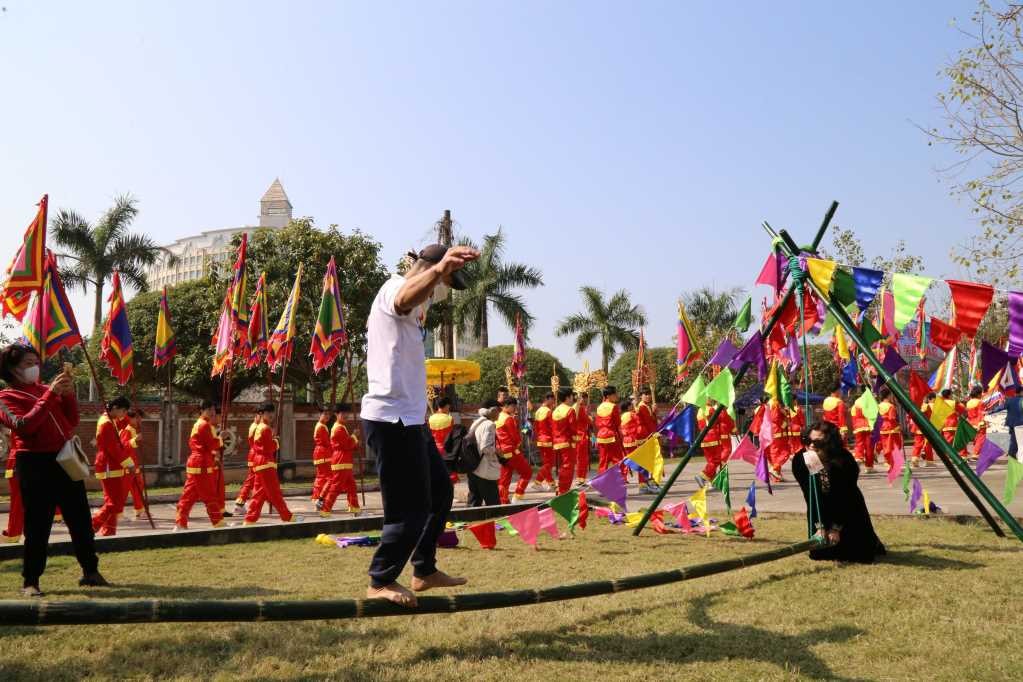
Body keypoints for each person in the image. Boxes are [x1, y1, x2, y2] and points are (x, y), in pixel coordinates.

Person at [361, 242, 475, 607]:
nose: (442, 292)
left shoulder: (414, 310)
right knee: (409, 507)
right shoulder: (394, 289)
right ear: (427, 267)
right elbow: (407, 295)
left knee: (441, 493)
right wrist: (439, 270)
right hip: (389, 419)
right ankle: (380, 580)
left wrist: (440, 274)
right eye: (445, 283)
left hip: (411, 420)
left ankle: (423, 569)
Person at [0, 344, 107, 596]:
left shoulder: (44, 389)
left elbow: (71, 421)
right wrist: (50, 395)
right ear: (12, 369)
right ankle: (31, 581)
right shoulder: (6, 398)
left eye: (35, 361)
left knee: (80, 518)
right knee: (38, 524)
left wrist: (68, 395)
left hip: (63, 460)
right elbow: (24, 426)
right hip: (34, 464)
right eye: (28, 363)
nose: (34, 367)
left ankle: (90, 571)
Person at [792, 420, 886, 564]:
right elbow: (810, 495)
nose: (811, 446)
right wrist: (820, 526)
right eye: (807, 440)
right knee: (820, 554)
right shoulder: (800, 460)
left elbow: (846, 497)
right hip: (820, 509)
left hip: (848, 509)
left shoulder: (844, 462)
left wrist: (836, 528)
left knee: (858, 556)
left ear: (830, 444)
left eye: (818, 443)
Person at [175, 399, 225, 530]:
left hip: (197, 462)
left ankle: (181, 522)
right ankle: (218, 522)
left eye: (213, 409)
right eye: (209, 410)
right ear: (202, 411)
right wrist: (220, 439)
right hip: (201, 463)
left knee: (189, 496)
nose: (212, 412)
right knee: (209, 495)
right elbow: (211, 444)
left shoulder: (201, 424)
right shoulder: (204, 425)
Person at [243, 403, 297, 524]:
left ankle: (250, 519)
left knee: (258, 494)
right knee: (274, 492)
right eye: (268, 412)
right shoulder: (265, 428)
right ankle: (288, 517)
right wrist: (276, 442)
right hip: (266, 462)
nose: (271, 415)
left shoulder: (258, 427)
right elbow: (268, 447)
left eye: (272, 412)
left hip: (259, 462)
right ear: (261, 414)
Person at [91, 397, 134, 537]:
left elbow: (123, 423)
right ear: (115, 408)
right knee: (114, 503)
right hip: (109, 465)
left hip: (111, 464)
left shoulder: (110, 421)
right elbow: (113, 449)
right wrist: (129, 463)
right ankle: (91, 525)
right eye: (123, 411)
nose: (124, 414)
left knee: (114, 501)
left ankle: (108, 530)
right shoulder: (107, 423)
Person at [321, 405, 361, 516]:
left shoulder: (342, 427)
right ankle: (325, 509)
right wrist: (354, 437)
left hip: (345, 460)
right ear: (336, 414)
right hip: (341, 461)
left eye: (347, 413)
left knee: (352, 486)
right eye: (343, 413)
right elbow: (347, 444)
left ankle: (354, 507)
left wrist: (355, 441)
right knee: (336, 487)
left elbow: (349, 444)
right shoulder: (338, 428)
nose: (346, 415)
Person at [496, 397, 531, 503]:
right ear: (506, 406)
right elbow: (515, 437)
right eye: (513, 406)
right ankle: (518, 496)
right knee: (527, 472)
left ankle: (503, 500)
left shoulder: (498, 417)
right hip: (511, 450)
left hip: (502, 452)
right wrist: (519, 443)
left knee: (505, 478)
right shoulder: (508, 418)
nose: (515, 408)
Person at [467, 399, 501, 506]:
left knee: (474, 505)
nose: (499, 413)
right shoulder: (489, 424)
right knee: (494, 506)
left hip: (473, 468)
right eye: (498, 410)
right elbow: (485, 447)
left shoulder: (476, 422)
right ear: (493, 410)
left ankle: (470, 523)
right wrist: (497, 451)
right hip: (485, 470)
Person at [120, 408, 147, 520]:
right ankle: (117, 513)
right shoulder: (128, 430)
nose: (139, 421)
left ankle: (139, 510)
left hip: (133, 464)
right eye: (138, 418)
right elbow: (123, 446)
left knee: (137, 488)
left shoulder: (132, 429)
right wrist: (135, 439)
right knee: (124, 490)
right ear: (132, 418)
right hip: (128, 465)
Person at [232, 412, 260, 516]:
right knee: (252, 481)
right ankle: (239, 504)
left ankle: (241, 504)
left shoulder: (255, 426)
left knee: (256, 481)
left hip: (255, 455)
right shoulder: (257, 426)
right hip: (257, 455)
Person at [551, 389, 578, 494]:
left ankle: (561, 487)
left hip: (557, 442)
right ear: (567, 397)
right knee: (568, 467)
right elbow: (573, 428)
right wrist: (576, 439)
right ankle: (564, 490)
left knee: (562, 467)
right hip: (567, 442)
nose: (573, 399)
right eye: (572, 396)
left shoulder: (556, 410)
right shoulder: (570, 410)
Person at [428, 397, 458, 484]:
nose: (449, 408)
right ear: (446, 406)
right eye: (449, 406)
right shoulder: (449, 419)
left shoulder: (431, 418)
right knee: (448, 476)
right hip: (446, 450)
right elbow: (452, 435)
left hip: (434, 448)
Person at [594, 386, 623, 473]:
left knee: (603, 460)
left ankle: (602, 482)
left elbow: (597, 423)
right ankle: (618, 480)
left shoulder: (599, 407)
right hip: (611, 435)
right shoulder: (614, 406)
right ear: (608, 396)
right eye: (614, 394)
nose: (616, 396)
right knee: (617, 459)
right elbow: (618, 422)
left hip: (601, 436)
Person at [311, 405, 335, 508]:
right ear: (320, 414)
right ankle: (320, 499)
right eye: (325, 414)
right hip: (323, 453)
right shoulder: (321, 426)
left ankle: (317, 498)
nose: (327, 416)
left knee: (321, 478)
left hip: (319, 453)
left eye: (328, 414)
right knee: (331, 478)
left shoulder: (320, 425)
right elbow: (326, 442)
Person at [531, 393, 556, 491]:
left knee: (547, 463)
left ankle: (550, 484)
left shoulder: (537, 411)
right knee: (549, 464)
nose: (554, 402)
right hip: (548, 440)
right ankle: (538, 482)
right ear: (547, 399)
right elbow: (553, 427)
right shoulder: (549, 412)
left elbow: (535, 427)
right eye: (552, 400)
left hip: (540, 440)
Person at [635, 388, 658, 492]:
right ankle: (644, 484)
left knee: (649, 460)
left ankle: (647, 482)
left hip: (648, 435)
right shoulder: (641, 407)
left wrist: (654, 412)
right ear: (641, 396)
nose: (648, 396)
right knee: (644, 460)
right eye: (645, 394)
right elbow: (649, 422)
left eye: (649, 394)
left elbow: (652, 421)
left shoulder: (646, 406)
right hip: (644, 435)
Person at [876, 388, 902, 472]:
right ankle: (892, 464)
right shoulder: (891, 406)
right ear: (888, 395)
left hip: (882, 428)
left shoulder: (878, 406)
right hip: (891, 428)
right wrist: (898, 426)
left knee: (886, 446)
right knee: (894, 447)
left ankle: (889, 463)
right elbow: (892, 418)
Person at [850, 386, 875, 472]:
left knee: (859, 444)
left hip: (858, 426)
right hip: (868, 426)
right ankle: (869, 467)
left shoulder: (856, 402)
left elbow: (853, 415)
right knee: (869, 447)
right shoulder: (870, 401)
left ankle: (858, 457)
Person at [910, 391, 936, 467]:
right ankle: (929, 461)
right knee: (928, 444)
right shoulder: (929, 406)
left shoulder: (918, 406)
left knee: (917, 444)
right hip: (926, 427)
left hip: (917, 427)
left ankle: (915, 458)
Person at [965, 384, 987, 460]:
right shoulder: (980, 402)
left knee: (976, 439)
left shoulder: (968, 402)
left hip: (971, 423)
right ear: (978, 394)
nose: (982, 395)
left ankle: (977, 452)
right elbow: (981, 414)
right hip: (979, 423)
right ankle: (976, 453)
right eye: (981, 393)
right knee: (981, 438)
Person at [574, 392, 592, 486]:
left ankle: (581, 479)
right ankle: (580, 479)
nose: (585, 401)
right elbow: (587, 420)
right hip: (581, 435)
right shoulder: (580, 408)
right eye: (585, 398)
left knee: (580, 458)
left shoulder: (575, 407)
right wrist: (590, 417)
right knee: (582, 459)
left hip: (577, 436)